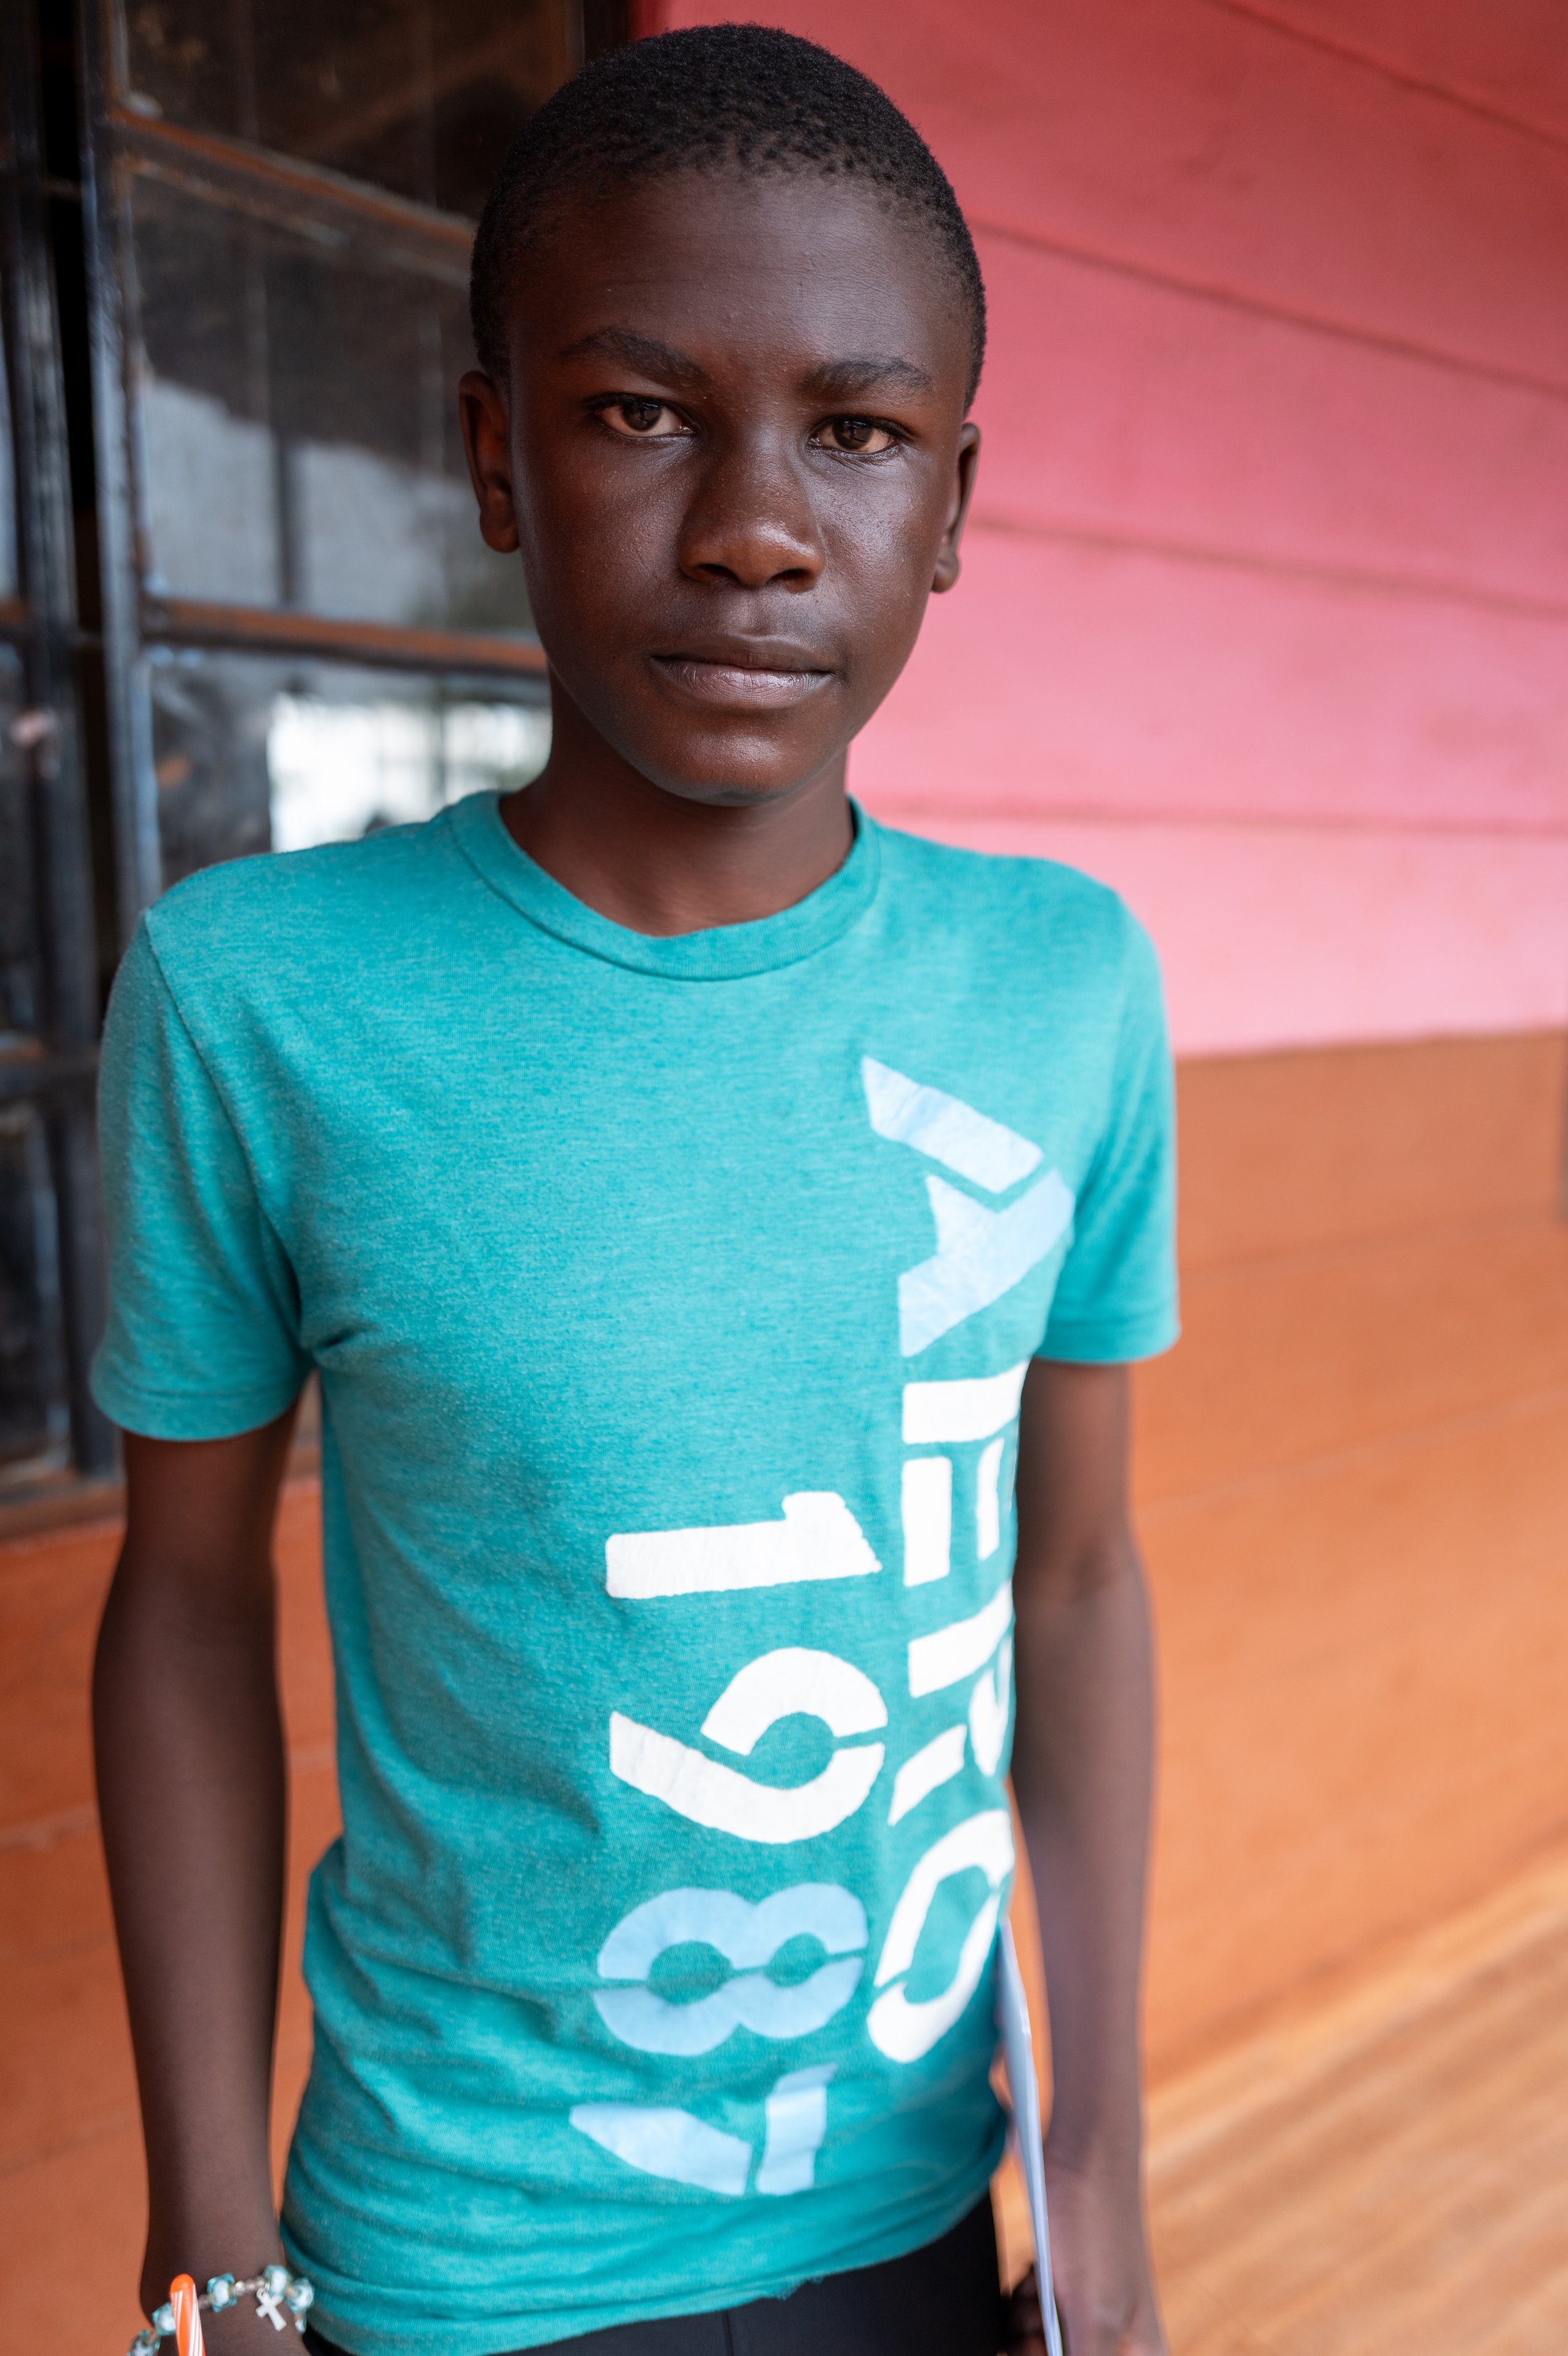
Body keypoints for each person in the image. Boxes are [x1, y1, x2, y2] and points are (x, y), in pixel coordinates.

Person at [92, 26, 1177, 2356]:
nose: (756, 527)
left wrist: (1096, 2180)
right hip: (467, 2268)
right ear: (494, 449)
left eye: (857, 433)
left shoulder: (1061, 984)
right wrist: (210, 2249)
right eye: (636, 408)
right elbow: (183, 1607)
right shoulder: (260, 996)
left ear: (954, 504)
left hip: (919, 2238)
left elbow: (1072, 1584)